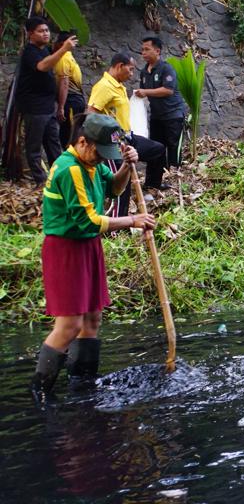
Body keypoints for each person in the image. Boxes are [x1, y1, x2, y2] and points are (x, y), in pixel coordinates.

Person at [30, 114, 156, 405]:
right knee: (70, 325)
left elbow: (113, 188)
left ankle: (82, 386)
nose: (102, 159)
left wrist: (126, 165)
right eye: (101, 152)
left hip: (88, 246)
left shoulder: (90, 163)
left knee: (92, 319)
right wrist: (132, 220)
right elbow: (87, 220)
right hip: (66, 248)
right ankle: (40, 393)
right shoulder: (69, 168)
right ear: (83, 141)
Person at [87, 52, 169, 216]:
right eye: (130, 70)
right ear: (119, 66)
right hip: (113, 142)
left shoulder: (118, 85)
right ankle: (117, 222)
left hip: (127, 136)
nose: (132, 74)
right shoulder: (104, 86)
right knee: (120, 182)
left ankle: (152, 187)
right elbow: (91, 114)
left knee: (158, 150)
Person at [16, 17, 76, 184]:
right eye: (41, 31)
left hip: (48, 107)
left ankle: (60, 178)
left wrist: (58, 105)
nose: (46, 34)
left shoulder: (44, 50)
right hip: (34, 108)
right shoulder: (30, 51)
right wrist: (64, 49)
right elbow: (42, 66)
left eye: (47, 30)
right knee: (34, 146)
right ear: (30, 34)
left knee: (54, 144)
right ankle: (41, 181)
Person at [135, 36, 188, 167]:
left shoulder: (166, 68)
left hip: (173, 114)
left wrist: (145, 92)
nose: (143, 53)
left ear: (157, 51)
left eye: (147, 49)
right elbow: (143, 92)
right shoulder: (143, 72)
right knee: (157, 146)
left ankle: (175, 174)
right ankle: (160, 176)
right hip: (156, 116)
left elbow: (168, 90)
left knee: (173, 146)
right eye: (142, 50)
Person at [53, 31, 86, 148]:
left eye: (56, 42)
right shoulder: (70, 57)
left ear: (61, 43)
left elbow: (64, 82)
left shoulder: (63, 58)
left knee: (69, 136)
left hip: (71, 102)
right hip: (77, 101)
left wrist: (61, 107)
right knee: (74, 133)